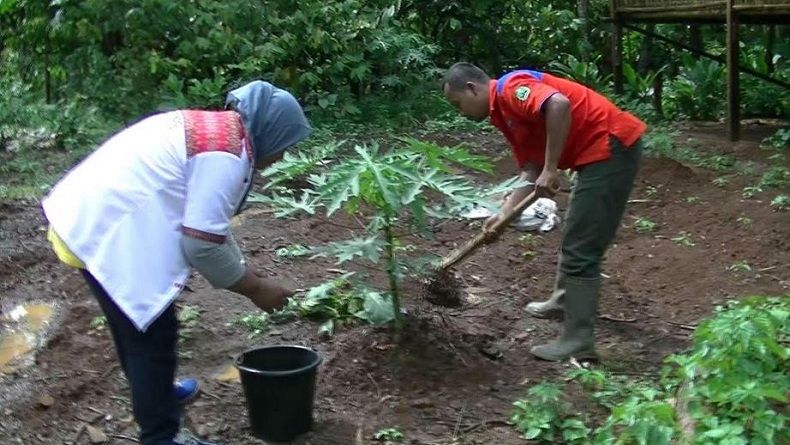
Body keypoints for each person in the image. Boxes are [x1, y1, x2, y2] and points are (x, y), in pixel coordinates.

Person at [42, 80, 312, 445]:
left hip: (86, 218)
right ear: (272, 132)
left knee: (136, 330)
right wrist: (257, 289)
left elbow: (209, 224)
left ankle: (159, 396)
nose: (282, 156)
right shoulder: (227, 157)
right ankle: (160, 435)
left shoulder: (221, 134)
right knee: (151, 335)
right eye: (285, 145)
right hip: (101, 232)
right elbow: (201, 246)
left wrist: (247, 272)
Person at [442, 63, 646, 362]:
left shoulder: (511, 89)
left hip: (609, 146)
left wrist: (552, 169)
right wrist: (504, 214)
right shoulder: (503, 115)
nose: (460, 112)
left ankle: (578, 341)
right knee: (576, 232)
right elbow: (530, 167)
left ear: (473, 88)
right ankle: (564, 302)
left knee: (582, 247)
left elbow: (558, 104)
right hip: (596, 152)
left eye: (458, 103)